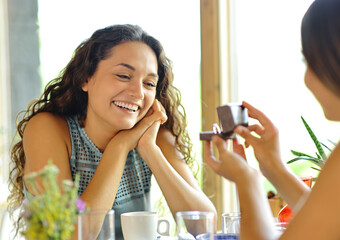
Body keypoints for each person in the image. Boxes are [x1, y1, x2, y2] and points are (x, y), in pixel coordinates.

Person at [8, 24, 216, 239]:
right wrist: (120, 146)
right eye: (124, 76)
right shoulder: (48, 129)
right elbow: (69, 235)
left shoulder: (153, 136)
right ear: (85, 78)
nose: (138, 92)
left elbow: (204, 226)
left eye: (149, 83)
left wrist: (148, 149)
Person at [204, 0, 340, 239]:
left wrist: (248, 180)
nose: (307, 79)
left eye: (310, 61)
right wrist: (274, 167)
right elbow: (327, 219)